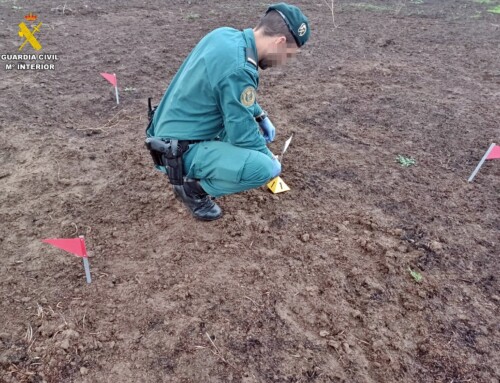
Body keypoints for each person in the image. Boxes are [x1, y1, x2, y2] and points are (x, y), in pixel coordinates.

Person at [146, 3, 310, 221]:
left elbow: (229, 90)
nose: (284, 62)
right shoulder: (241, 69)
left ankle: (203, 165)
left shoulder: (224, 35)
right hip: (178, 152)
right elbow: (242, 134)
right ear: (280, 42)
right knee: (262, 168)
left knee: (246, 136)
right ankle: (192, 190)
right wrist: (270, 158)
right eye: (288, 55)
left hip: (165, 130)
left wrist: (260, 115)